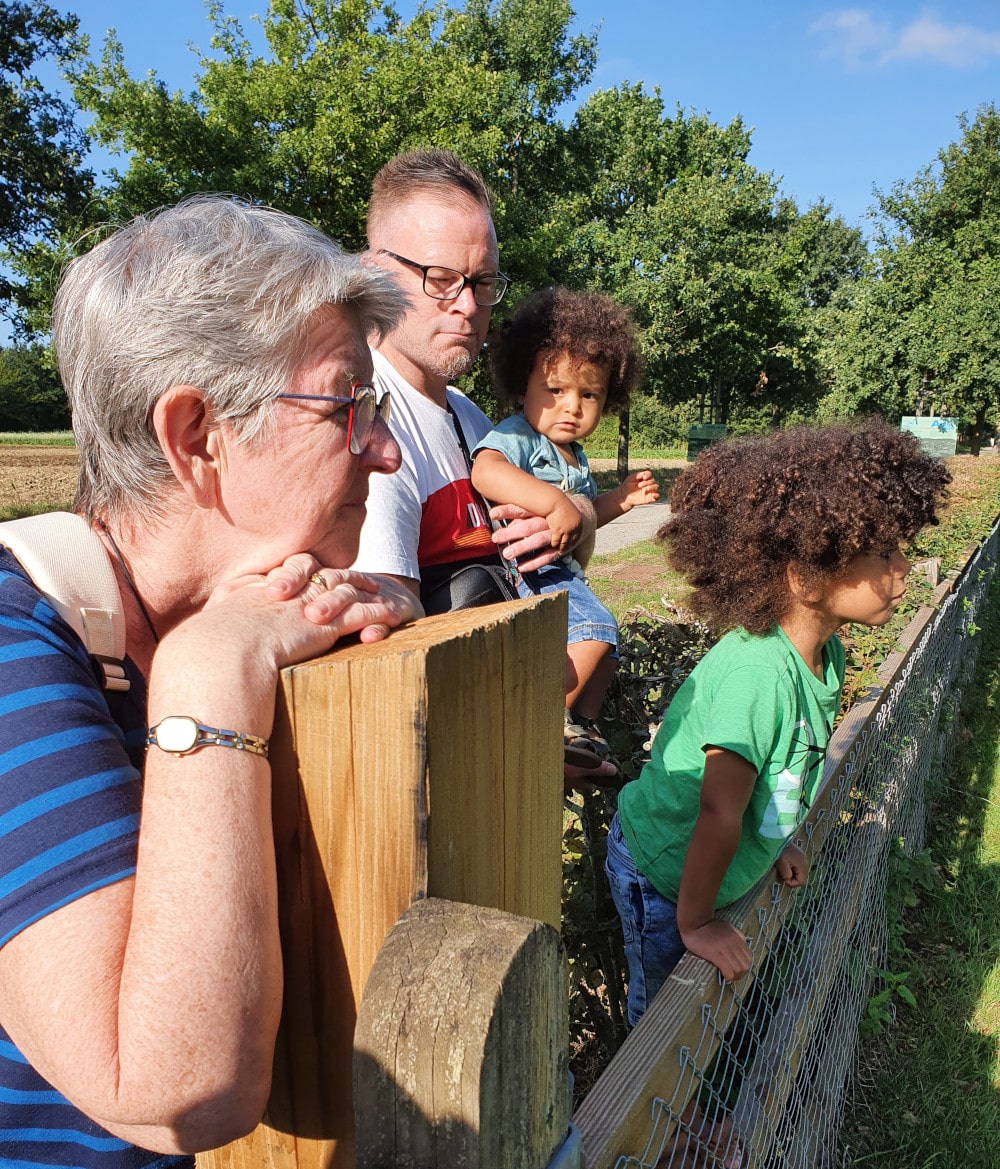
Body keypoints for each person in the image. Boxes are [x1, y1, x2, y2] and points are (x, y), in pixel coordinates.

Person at [0, 197, 420, 1169]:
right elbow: (170, 1084)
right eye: (348, 404)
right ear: (196, 438)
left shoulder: (216, 618)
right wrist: (204, 683)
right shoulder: (10, 651)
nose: (384, 446)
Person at [608, 421, 951, 1022]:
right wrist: (697, 922)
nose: (903, 566)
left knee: (711, 1014)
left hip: (713, 858)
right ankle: (675, 1122)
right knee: (666, 1013)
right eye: (883, 553)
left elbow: (785, 764)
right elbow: (718, 810)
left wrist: (776, 842)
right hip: (667, 875)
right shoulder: (759, 674)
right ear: (805, 577)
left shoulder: (826, 651)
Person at [355, 148, 616, 783]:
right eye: (440, 278)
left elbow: (569, 560)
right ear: (373, 273)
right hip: (442, 782)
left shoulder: (472, 418)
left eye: (483, 282)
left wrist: (576, 513)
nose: (468, 306)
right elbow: (386, 654)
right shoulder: (369, 426)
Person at [470, 286, 659, 774]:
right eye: (555, 390)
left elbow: (584, 517)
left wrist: (619, 501)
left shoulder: (574, 457)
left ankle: (582, 729)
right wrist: (552, 500)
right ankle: (544, 721)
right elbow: (486, 472)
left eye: (588, 394)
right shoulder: (519, 435)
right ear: (521, 389)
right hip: (528, 569)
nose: (571, 406)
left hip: (563, 569)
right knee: (595, 629)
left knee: (608, 650)